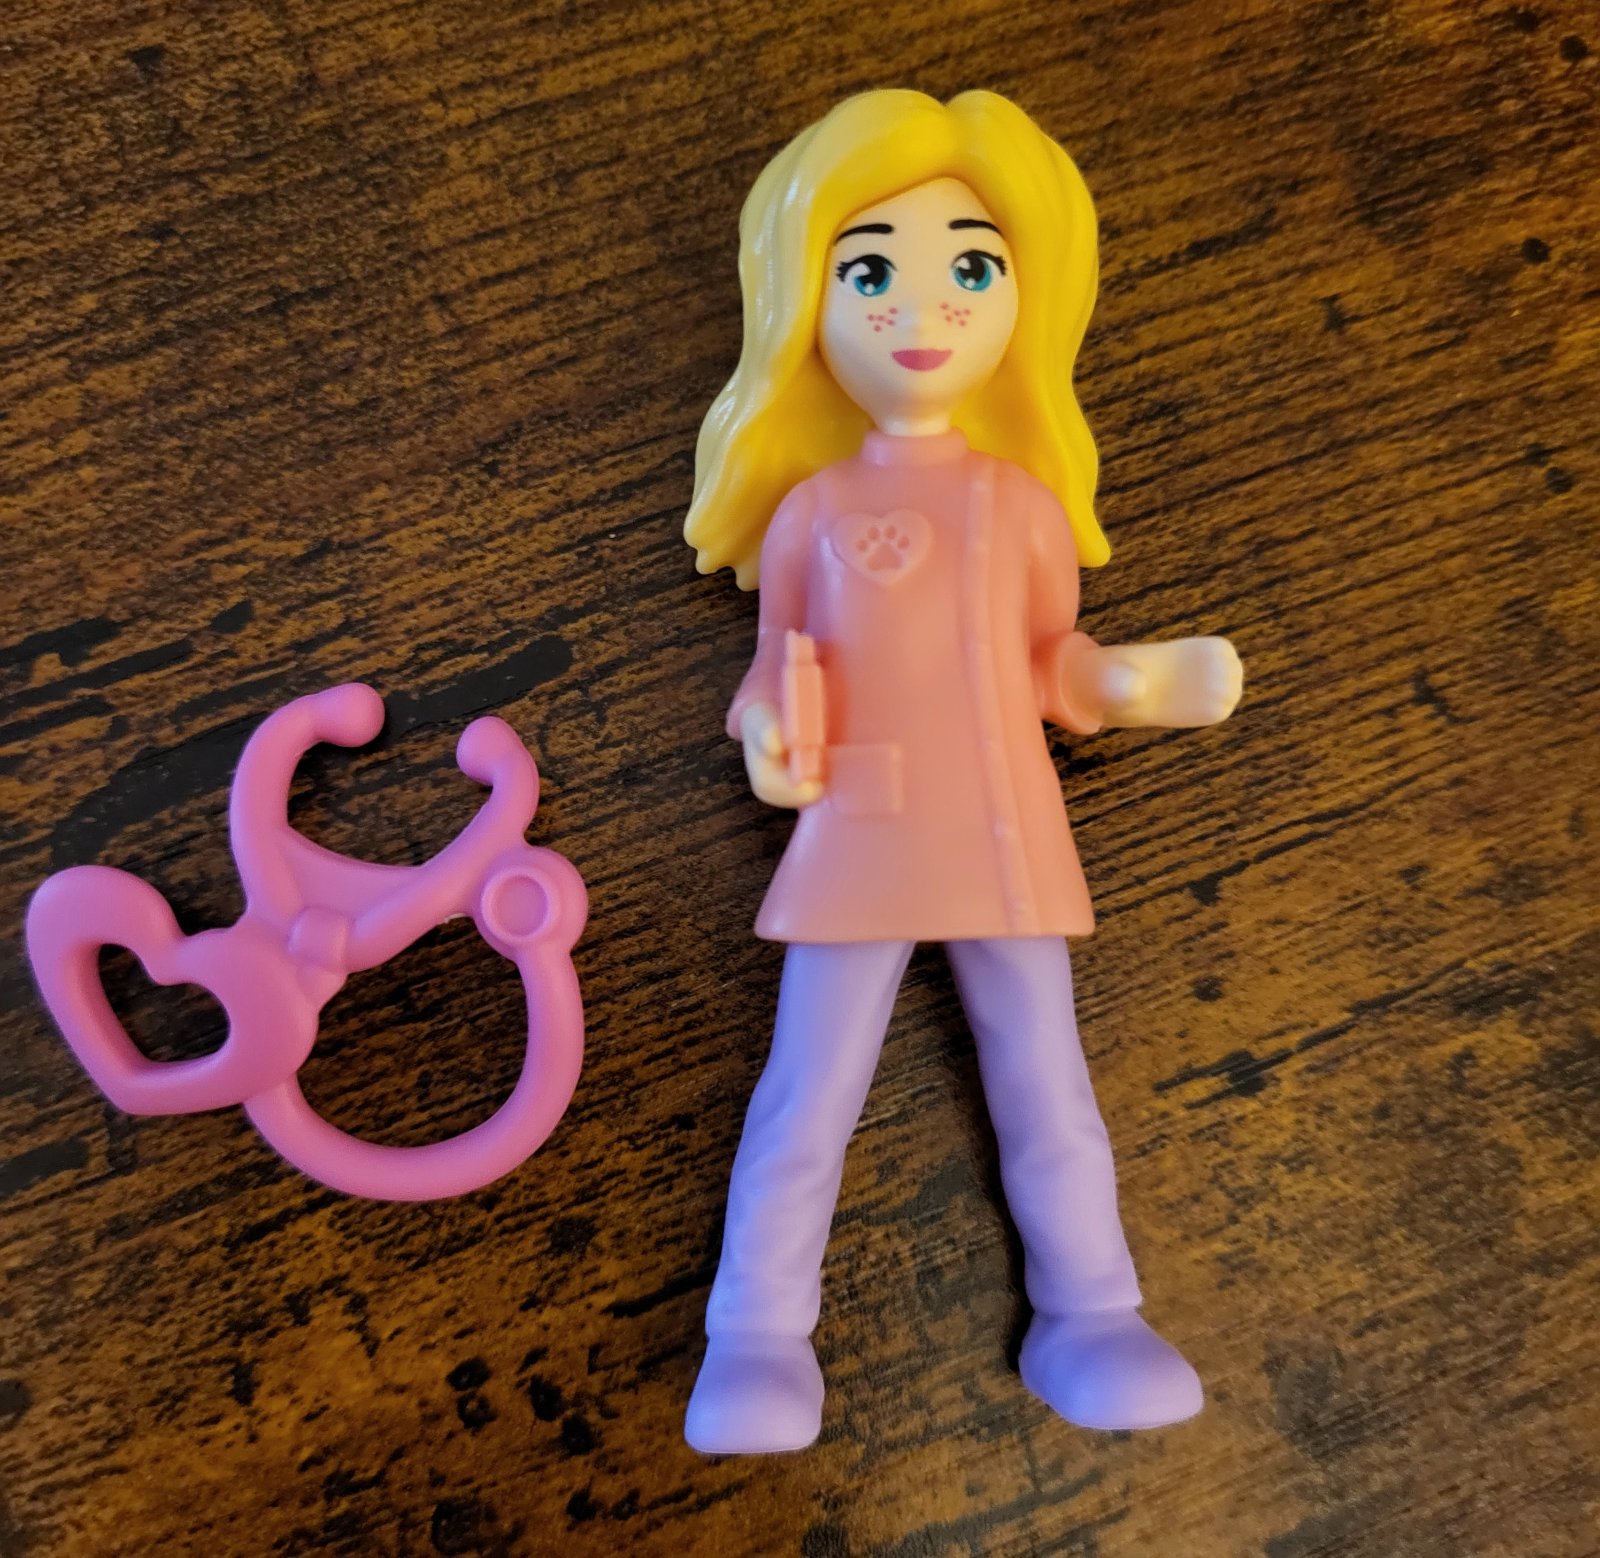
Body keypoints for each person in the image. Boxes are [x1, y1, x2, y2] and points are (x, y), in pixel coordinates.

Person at [682, 89, 1243, 1454]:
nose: (919, 310)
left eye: (972, 270)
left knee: (1047, 1082)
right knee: (807, 1093)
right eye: (868, 273)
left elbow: (1053, 660)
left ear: (1024, 303)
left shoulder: (1018, 505)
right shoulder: (814, 510)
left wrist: (1128, 686)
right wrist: (768, 735)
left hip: (1002, 825)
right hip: (859, 829)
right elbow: (774, 664)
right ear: (805, 303)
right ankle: (755, 1336)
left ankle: (1091, 1311)